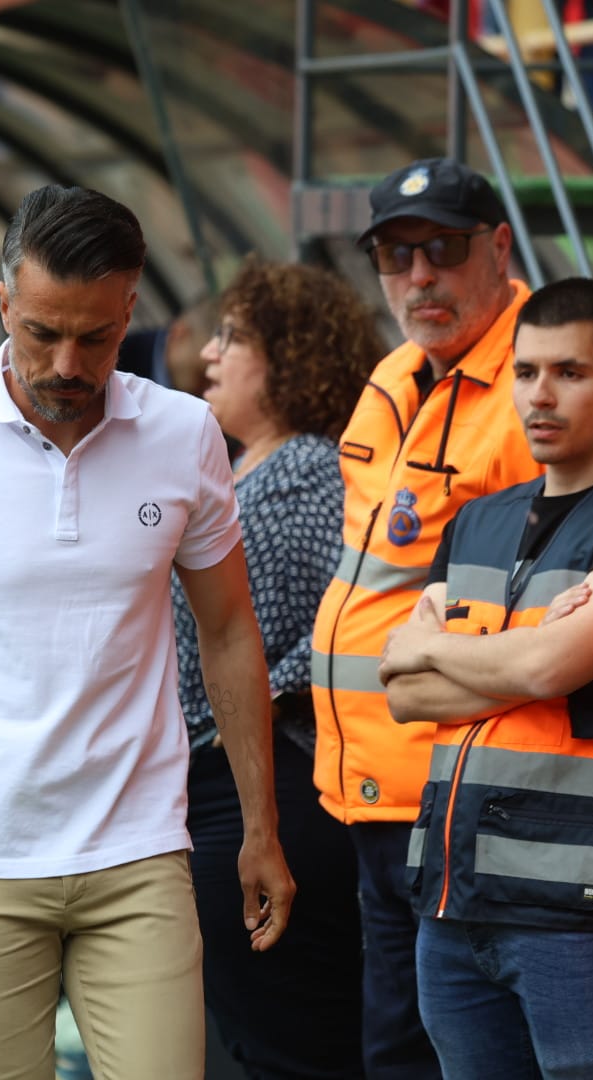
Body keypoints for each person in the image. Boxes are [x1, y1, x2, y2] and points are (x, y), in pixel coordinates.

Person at [0, 184, 294, 1080]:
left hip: (139, 847)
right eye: (42, 331)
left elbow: (229, 633)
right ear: (3, 302)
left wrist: (260, 827)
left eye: (97, 336)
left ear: (131, 310)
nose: (69, 361)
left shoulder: (185, 434)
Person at [380, 278, 593, 1079]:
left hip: (579, 907)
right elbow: (402, 685)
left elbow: (553, 663)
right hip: (452, 901)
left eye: (569, 372)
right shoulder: (478, 519)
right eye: (525, 373)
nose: (539, 396)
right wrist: (526, 656)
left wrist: (475, 651)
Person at [309, 155, 540, 1077]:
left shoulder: (535, 378)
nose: (418, 279)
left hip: (462, 786)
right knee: (396, 1047)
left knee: (457, 1052)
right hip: (372, 786)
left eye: (441, 251)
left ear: (497, 248)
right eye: (395, 259)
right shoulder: (395, 375)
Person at [170, 256, 379, 1079]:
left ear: (291, 358)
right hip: (228, 779)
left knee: (293, 1043)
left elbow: (343, 620)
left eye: (234, 338)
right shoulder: (238, 471)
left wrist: (253, 700)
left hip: (274, 786)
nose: (209, 355)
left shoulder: (312, 472)